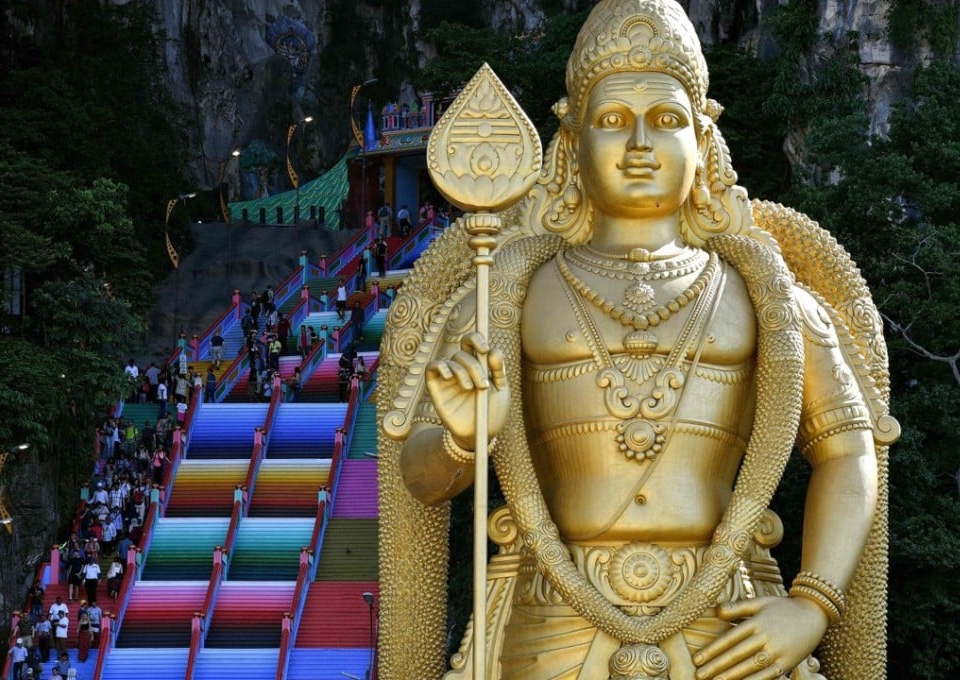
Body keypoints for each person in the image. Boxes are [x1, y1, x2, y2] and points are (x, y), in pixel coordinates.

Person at [377, 1, 894, 678]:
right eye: (614, 121)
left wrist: (813, 602)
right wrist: (459, 439)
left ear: (704, 138)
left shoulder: (769, 298)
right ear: (572, 139)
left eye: (669, 120)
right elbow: (417, 476)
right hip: (553, 612)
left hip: (730, 617)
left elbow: (849, 450)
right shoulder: (504, 295)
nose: (642, 143)